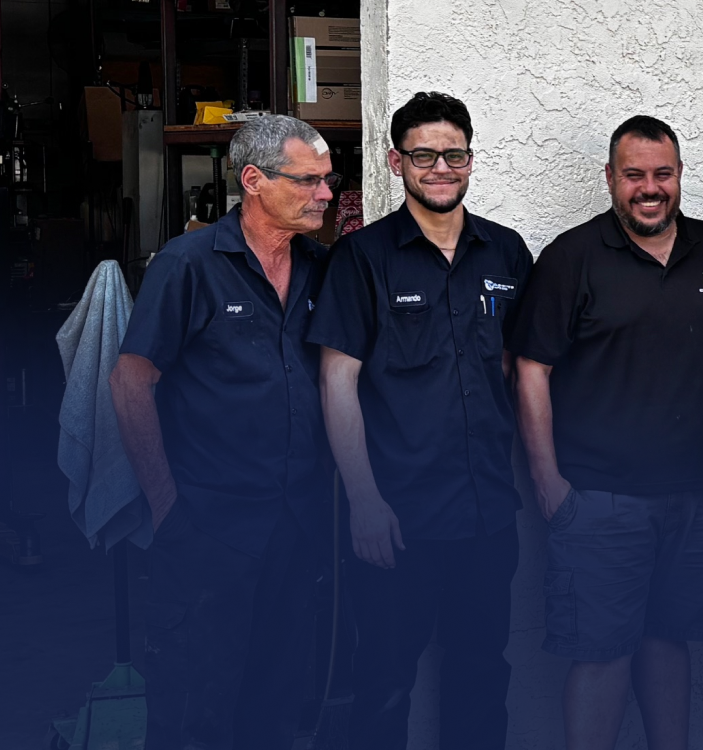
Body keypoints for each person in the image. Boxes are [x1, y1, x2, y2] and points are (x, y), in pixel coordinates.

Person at [506, 115, 703, 750]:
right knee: (600, 654)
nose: (650, 188)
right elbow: (531, 369)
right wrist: (548, 483)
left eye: (662, 174)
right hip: (599, 499)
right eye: (634, 175)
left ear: (679, 175)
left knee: (668, 641)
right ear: (611, 179)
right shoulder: (573, 257)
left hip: (697, 494)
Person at [307, 92, 532, 749]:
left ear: (470, 158)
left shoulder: (507, 254)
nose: (440, 166)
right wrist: (365, 501)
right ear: (396, 161)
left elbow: (523, 371)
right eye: (423, 154)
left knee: (482, 677)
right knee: (383, 683)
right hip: (396, 519)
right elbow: (337, 382)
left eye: (453, 153)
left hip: (488, 514)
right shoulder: (364, 258)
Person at [110, 114, 338, 750]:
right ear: (255, 181)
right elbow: (130, 384)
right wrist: (167, 510)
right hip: (209, 527)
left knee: (277, 699)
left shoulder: (321, 268)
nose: (326, 193)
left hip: (296, 526)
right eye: (310, 181)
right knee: (195, 706)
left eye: (328, 179)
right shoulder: (189, 264)